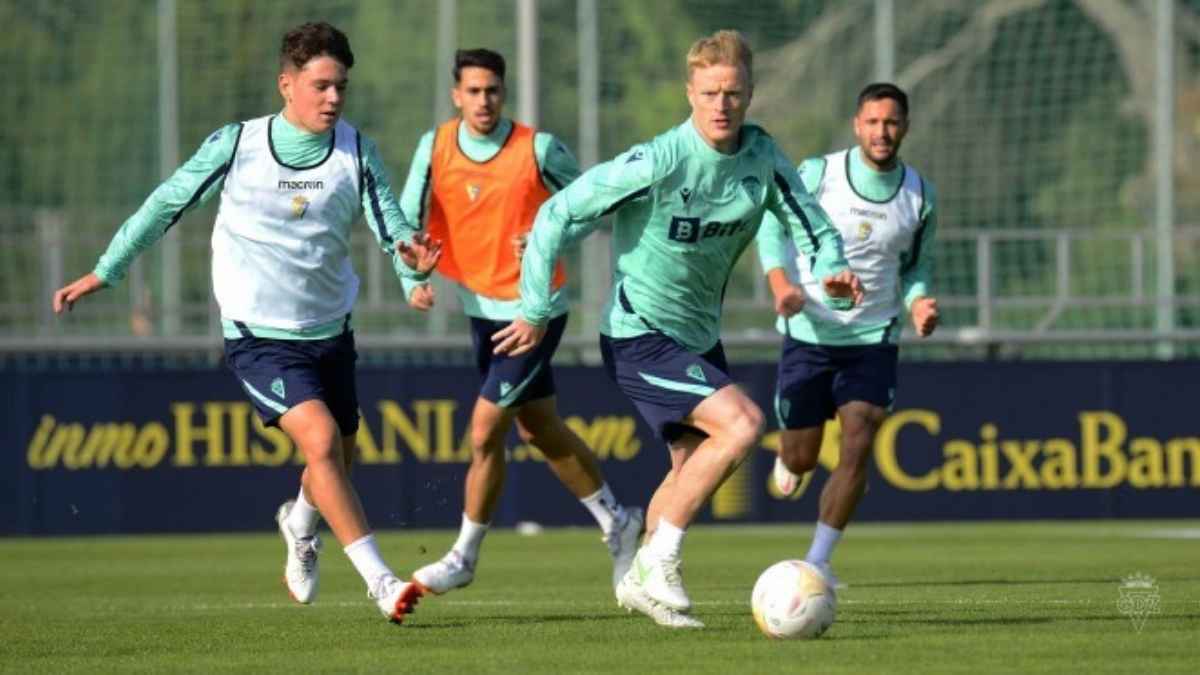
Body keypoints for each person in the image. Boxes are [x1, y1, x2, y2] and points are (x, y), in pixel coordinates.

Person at [51, 22, 440, 624]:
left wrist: (413, 270)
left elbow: (393, 229)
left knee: (338, 452)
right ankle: (382, 582)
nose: (333, 98)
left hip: (330, 333)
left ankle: (301, 524)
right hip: (259, 337)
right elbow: (165, 203)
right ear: (287, 85)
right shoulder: (238, 145)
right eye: (320, 86)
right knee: (319, 441)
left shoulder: (356, 150)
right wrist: (108, 270)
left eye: (341, 87)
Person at [493, 30, 863, 628]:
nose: (722, 105)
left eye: (734, 93)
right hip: (638, 331)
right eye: (711, 92)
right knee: (743, 424)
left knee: (689, 472)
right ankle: (658, 561)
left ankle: (643, 579)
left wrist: (833, 268)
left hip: (695, 337)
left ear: (750, 94)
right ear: (690, 93)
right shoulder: (661, 158)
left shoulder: (762, 159)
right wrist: (535, 307)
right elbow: (557, 213)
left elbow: (812, 225)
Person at [397, 48, 643, 598]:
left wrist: (549, 236)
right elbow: (405, 220)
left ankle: (463, 555)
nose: (484, 100)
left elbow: (592, 205)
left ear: (503, 93)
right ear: (456, 95)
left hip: (536, 310)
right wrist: (410, 277)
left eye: (493, 90)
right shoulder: (434, 148)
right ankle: (618, 522)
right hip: (480, 310)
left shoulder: (537, 148)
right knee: (539, 428)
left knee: (484, 431)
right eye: (474, 91)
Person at [758, 82, 939, 588]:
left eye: (892, 122)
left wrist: (919, 302)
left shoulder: (919, 194)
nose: (883, 132)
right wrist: (782, 283)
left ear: (905, 126)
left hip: (873, 339)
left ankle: (817, 562)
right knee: (801, 457)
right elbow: (773, 225)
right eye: (873, 122)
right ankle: (791, 460)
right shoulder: (819, 174)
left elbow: (918, 266)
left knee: (859, 441)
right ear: (857, 125)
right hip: (809, 332)